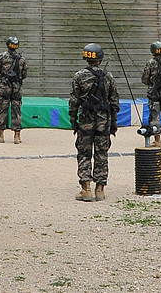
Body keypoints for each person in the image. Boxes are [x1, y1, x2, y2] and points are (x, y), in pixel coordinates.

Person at [68, 43, 119, 202]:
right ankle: (100, 189)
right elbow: (114, 103)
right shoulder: (108, 77)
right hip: (103, 121)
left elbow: (74, 101)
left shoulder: (79, 76)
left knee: (84, 153)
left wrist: (73, 120)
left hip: (85, 121)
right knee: (101, 154)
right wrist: (113, 124)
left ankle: (86, 189)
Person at [0, 36, 27, 144]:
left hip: (5, 86)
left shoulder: (1, 56)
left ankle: (0, 135)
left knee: (2, 109)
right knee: (16, 110)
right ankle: (17, 137)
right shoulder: (22, 59)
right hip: (17, 88)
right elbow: (24, 74)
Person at [140, 41, 161, 148]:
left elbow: (144, 79)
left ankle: (157, 139)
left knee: (155, 116)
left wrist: (152, 84)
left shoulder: (150, 63)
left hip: (154, 94)